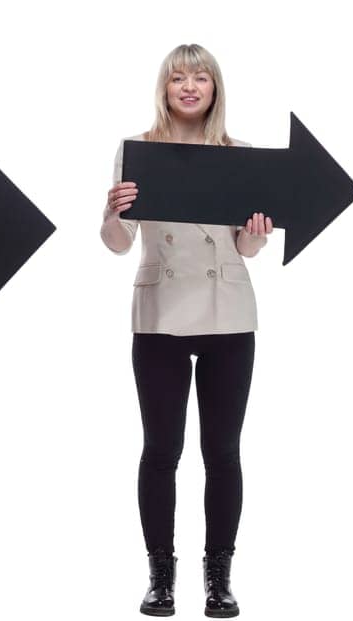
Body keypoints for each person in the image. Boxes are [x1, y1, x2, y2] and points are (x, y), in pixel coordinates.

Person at [102, 43, 271, 619]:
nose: (190, 86)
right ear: (165, 88)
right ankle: (160, 577)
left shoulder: (240, 154)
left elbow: (246, 247)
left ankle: (219, 578)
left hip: (228, 311)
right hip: (160, 312)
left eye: (200, 77)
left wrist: (257, 226)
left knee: (222, 451)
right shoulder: (138, 151)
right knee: (161, 449)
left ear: (215, 86)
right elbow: (118, 244)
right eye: (179, 78)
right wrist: (112, 214)